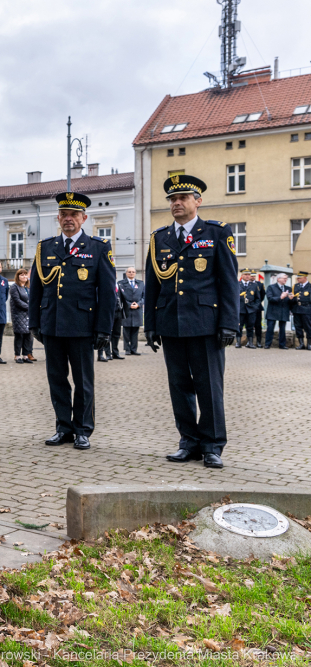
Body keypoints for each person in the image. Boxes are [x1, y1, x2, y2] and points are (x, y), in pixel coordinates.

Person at [145, 174, 238, 469]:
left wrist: (229, 323)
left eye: (183, 198)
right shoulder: (160, 238)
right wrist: (151, 325)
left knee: (209, 386)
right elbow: (153, 285)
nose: (176, 203)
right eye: (172, 199)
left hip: (206, 323)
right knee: (179, 385)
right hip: (171, 322)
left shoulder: (217, 232)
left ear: (198, 201)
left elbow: (228, 282)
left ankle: (212, 445)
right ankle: (188, 441)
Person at [29, 192, 115, 451]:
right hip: (52, 324)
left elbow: (107, 293)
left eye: (74, 215)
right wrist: (35, 322)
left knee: (83, 381)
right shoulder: (46, 247)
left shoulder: (98, 248)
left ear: (84, 218)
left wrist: (103, 328)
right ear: (58, 217)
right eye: (64, 214)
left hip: (82, 325)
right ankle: (63, 427)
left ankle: (82, 430)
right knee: (57, 379)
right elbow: (35, 288)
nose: (69, 219)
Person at [9, 268, 33, 363]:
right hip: (18, 315)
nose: (24, 276)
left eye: (25, 274)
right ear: (18, 276)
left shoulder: (28, 287)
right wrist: (30, 307)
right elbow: (17, 301)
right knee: (19, 335)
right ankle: (17, 355)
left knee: (28, 335)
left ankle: (25, 355)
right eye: (22, 275)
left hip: (28, 314)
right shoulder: (14, 287)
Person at [119, 266, 145, 355]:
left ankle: (134, 349)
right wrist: (129, 305)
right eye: (129, 272)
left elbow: (144, 297)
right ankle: (127, 349)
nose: (131, 273)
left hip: (137, 310)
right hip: (127, 310)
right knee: (126, 331)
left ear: (135, 273)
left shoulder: (141, 283)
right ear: (126, 273)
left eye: (133, 272)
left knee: (135, 331)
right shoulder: (121, 283)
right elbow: (120, 297)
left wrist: (138, 304)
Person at [99, 282, 126, 362]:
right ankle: (108, 354)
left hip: (119, 312)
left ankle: (115, 353)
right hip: (109, 312)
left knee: (117, 334)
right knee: (108, 333)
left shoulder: (119, 284)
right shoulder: (107, 283)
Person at [265, 273, 291, 350]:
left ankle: (282, 344)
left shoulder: (288, 288)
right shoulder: (271, 287)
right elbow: (270, 298)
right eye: (284, 278)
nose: (285, 280)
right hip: (273, 311)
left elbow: (290, 302)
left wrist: (291, 299)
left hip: (284, 311)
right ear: (278, 279)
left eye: (286, 278)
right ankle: (267, 344)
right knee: (270, 328)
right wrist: (280, 297)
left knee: (282, 329)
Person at [237, 269, 261, 348]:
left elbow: (258, 298)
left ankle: (250, 343)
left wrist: (255, 307)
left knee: (250, 326)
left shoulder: (254, 285)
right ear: (242, 275)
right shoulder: (237, 284)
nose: (247, 276)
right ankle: (238, 342)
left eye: (248, 275)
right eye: (246, 274)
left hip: (250, 309)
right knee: (239, 326)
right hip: (240, 309)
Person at [291, 271, 311, 349]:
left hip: (307, 309)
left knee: (308, 327)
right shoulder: (295, 286)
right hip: (297, 309)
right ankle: (301, 343)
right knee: (298, 327)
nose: (298, 279)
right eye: (297, 277)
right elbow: (293, 298)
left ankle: (309, 344)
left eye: (300, 277)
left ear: (305, 278)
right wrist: (291, 299)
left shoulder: (310, 286)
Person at [253, 273, 266, 347]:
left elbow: (262, 295)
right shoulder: (242, 284)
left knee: (258, 325)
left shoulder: (260, 284)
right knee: (248, 325)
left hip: (257, 307)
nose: (252, 277)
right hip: (246, 307)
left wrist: (256, 304)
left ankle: (258, 341)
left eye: (253, 276)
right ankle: (249, 341)